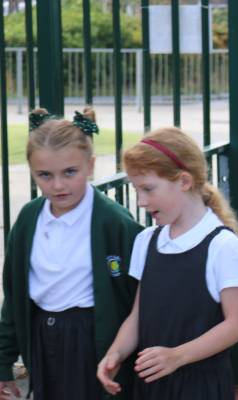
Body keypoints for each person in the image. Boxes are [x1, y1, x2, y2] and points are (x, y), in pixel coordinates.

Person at [96, 128, 238, 399]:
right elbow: (138, 315)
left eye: (148, 189)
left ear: (184, 181)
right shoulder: (146, 241)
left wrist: (177, 356)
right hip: (152, 384)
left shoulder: (223, 247)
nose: (141, 201)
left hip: (201, 387)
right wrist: (115, 353)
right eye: (136, 190)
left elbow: (236, 325)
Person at [0, 108, 143, 400]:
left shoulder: (115, 222)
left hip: (94, 341)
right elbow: (14, 296)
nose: (58, 185)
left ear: (90, 165)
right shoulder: (28, 219)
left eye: (69, 172)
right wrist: (3, 364)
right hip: (42, 338)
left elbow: (139, 297)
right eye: (45, 175)